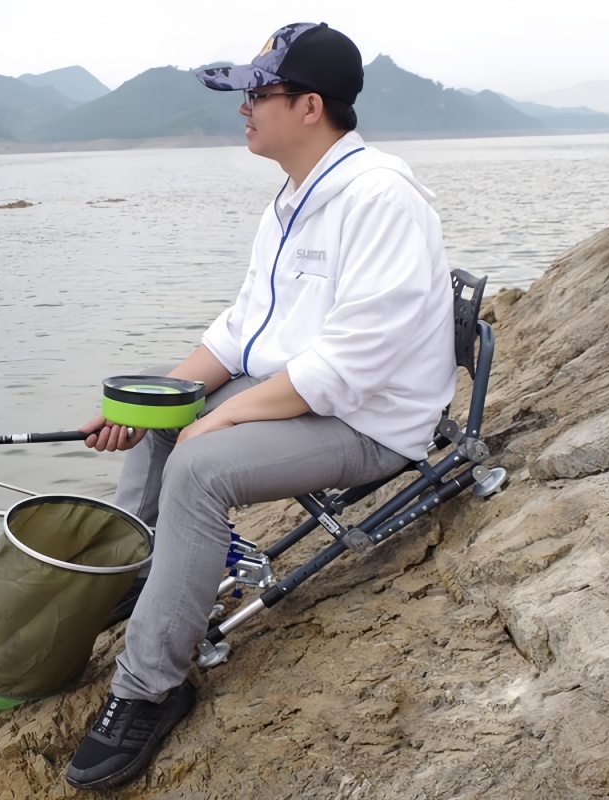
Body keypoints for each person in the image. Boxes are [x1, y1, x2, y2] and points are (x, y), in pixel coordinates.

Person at [65, 21, 456, 790]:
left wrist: (226, 417)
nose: (243, 106)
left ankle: (150, 687)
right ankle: (147, 579)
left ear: (310, 106)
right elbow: (241, 332)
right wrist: (155, 405)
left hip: (366, 421)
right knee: (160, 402)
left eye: (259, 92)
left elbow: (353, 363)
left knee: (201, 462)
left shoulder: (380, 197)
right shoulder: (291, 198)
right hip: (303, 398)